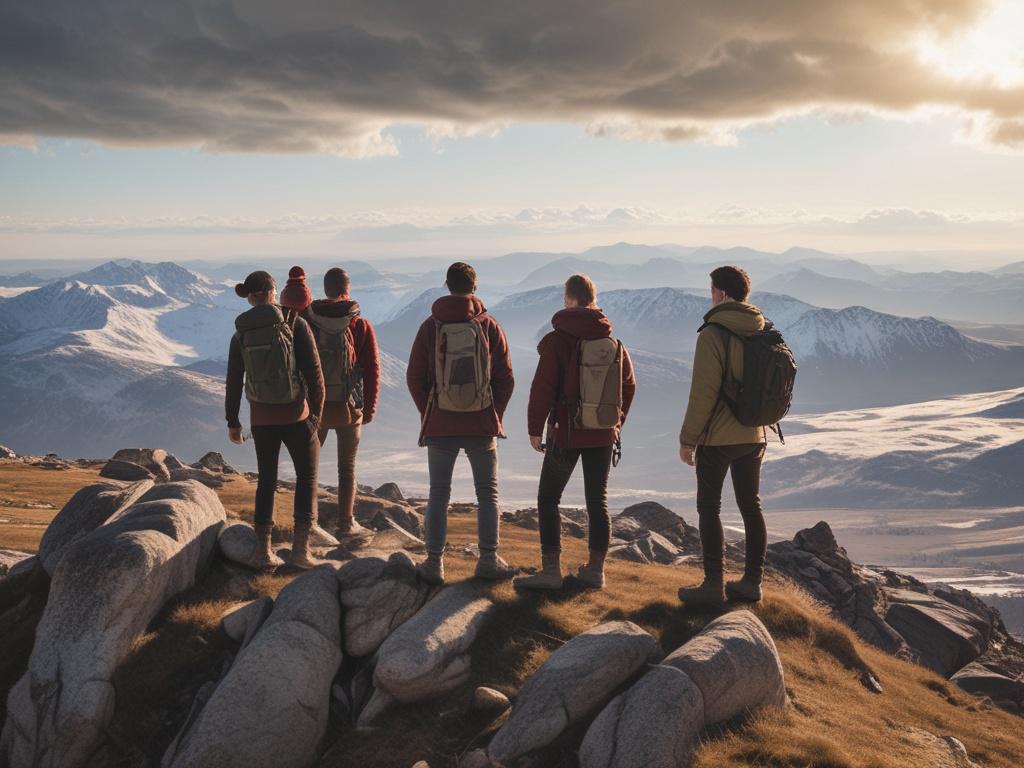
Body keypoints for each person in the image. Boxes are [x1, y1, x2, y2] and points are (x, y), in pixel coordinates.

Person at [515, 274, 636, 591]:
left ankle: (551, 571)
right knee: (598, 501)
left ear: (569, 300)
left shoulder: (558, 340)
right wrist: (615, 420)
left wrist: (534, 429)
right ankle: (595, 571)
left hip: (565, 433)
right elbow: (629, 386)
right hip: (603, 433)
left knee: (547, 499)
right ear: (592, 300)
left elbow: (543, 389)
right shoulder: (612, 342)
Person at [406, 262, 516, 585]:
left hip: (440, 424)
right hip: (482, 424)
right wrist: (493, 413)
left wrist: (429, 411)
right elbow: (506, 378)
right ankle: (488, 560)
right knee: (488, 493)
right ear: (475, 286)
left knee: (439, 493)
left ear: (447, 285)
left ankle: (433, 564)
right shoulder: (488, 326)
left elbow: (414, 377)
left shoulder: (431, 326)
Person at [677, 265, 768, 606]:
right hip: (755, 433)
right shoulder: (761, 328)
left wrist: (688, 439)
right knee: (751, 506)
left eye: (712, 289)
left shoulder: (713, 334)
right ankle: (752, 583)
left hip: (717, 438)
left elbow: (703, 393)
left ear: (723, 294)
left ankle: (713, 585)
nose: (710, 295)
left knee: (708, 507)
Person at [226, 269, 325, 571]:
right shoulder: (295, 323)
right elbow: (314, 374)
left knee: (266, 481)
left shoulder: (241, 333)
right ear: (272, 292)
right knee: (306, 478)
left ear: (250, 298)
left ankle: (262, 552)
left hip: (261, 418)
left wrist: (233, 421)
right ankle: (300, 552)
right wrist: (316, 415)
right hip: (297, 415)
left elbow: (234, 380)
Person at [304, 267, 380, 540]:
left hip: (316, 408)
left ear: (325, 290)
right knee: (346, 468)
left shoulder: (308, 321)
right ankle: (347, 525)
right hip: (350, 407)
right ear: (347, 289)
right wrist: (368, 409)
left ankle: (308, 524)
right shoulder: (359, 325)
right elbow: (371, 368)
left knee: (309, 467)